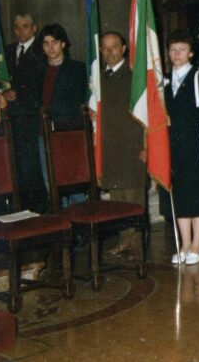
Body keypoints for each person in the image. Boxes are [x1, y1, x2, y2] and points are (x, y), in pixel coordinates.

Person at [90, 32, 147, 258]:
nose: (109, 52)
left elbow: (145, 116)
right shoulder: (100, 78)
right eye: (105, 48)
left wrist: (146, 145)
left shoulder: (134, 76)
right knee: (117, 200)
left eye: (114, 47)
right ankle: (124, 240)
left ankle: (137, 245)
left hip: (132, 148)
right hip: (111, 147)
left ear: (124, 48)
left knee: (133, 198)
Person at [165, 31, 199, 266]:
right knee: (179, 194)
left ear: (191, 53)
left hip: (194, 143)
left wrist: (176, 118)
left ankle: (197, 243)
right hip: (172, 146)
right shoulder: (164, 80)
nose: (177, 54)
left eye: (182, 50)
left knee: (196, 192)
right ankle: (184, 243)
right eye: (173, 50)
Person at [39, 23, 87, 206]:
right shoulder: (39, 70)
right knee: (51, 185)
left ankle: (82, 231)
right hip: (43, 134)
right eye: (46, 43)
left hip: (68, 134)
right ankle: (64, 230)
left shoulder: (77, 69)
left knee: (74, 185)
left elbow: (76, 103)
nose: (50, 47)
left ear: (64, 44)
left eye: (55, 42)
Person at [3, 13, 47, 212]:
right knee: (16, 170)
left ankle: (38, 215)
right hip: (12, 121)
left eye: (25, 27)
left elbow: (42, 87)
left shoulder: (43, 50)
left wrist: (17, 95)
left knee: (33, 170)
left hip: (31, 121)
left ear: (34, 28)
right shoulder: (8, 51)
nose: (21, 31)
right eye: (17, 27)